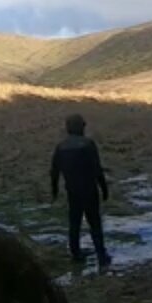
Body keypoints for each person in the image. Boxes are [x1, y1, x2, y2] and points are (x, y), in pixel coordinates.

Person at [50, 113, 112, 270]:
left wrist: (55, 190)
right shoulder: (88, 144)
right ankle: (101, 255)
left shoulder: (61, 146)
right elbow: (97, 169)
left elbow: (54, 171)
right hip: (89, 189)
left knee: (74, 222)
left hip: (72, 191)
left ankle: (76, 254)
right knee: (95, 223)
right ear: (81, 127)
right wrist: (104, 188)